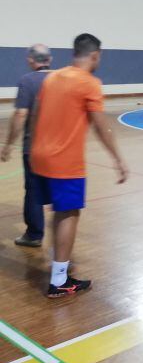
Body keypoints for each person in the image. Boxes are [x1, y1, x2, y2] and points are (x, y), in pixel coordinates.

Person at [30, 34, 128, 298]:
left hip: (39, 156)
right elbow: (100, 126)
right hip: (64, 161)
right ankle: (59, 281)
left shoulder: (51, 77)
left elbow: (36, 115)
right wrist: (118, 159)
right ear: (95, 55)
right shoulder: (90, 83)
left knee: (59, 213)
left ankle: (58, 266)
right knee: (69, 214)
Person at [1, 44, 53, 247]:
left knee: (33, 190)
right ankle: (63, 233)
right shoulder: (61, 79)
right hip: (60, 148)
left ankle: (34, 234)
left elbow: (21, 114)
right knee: (58, 190)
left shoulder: (27, 81)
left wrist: (7, 146)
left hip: (34, 148)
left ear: (31, 60)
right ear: (49, 59)